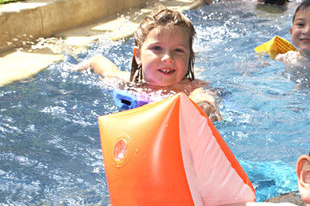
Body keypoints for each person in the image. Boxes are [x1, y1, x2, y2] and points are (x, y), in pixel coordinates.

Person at [76, 8, 221, 121]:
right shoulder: (129, 82)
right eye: (157, 48)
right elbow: (103, 67)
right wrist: (86, 64)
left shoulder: (191, 88)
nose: (168, 58)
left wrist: (206, 104)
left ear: (189, 58)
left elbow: (203, 96)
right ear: (138, 56)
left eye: (178, 50)